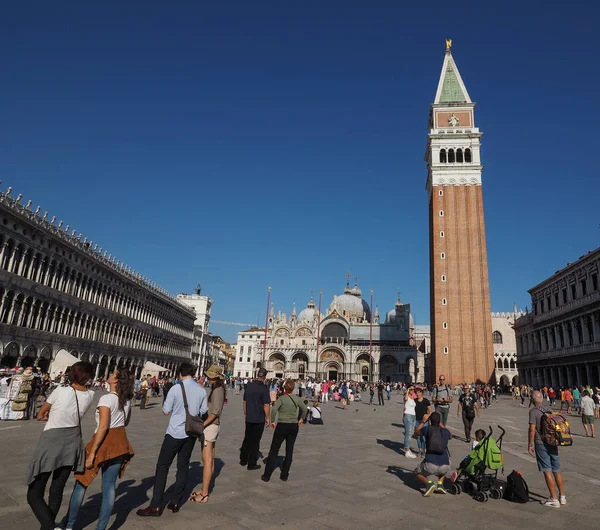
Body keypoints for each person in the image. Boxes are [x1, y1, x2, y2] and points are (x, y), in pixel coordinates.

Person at [26, 361, 95, 530]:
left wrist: (52, 415)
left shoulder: (60, 390)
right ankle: (49, 527)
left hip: (52, 440)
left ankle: (50, 527)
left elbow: (41, 414)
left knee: (34, 492)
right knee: (56, 490)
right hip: (72, 443)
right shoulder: (90, 395)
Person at [64, 368, 134, 530]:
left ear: (116, 380)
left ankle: (70, 525)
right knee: (109, 487)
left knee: (81, 483)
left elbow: (103, 427)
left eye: (112, 374)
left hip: (103, 443)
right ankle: (101, 528)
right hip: (119, 444)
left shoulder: (106, 398)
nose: (109, 375)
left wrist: (93, 453)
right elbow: (126, 422)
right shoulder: (127, 400)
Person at [137, 363, 208, 517]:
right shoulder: (201, 390)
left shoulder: (176, 388)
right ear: (193, 373)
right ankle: (175, 502)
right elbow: (203, 412)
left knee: (162, 466)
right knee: (183, 467)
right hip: (190, 434)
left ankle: (156, 505)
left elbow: (166, 410)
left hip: (174, 432)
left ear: (180, 373)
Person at [188, 365, 227, 504]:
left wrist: (203, 424)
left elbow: (215, 411)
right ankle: (204, 489)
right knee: (208, 460)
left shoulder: (217, 390)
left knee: (207, 460)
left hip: (210, 427)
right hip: (212, 427)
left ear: (216, 377)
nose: (208, 378)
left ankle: (204, 494)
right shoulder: (218, 389)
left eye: (210, 376)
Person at [261, 379, 308, 482]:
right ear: (293, 388)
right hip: (293, 426)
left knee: (274, 450)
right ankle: (284, 475)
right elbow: (305, 409)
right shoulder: (297, 399)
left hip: (282, 425)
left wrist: (273, 421)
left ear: (284, 388)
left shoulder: (281, 399)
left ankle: (267, 475)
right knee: (289, 450)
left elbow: (274, 409)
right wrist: (301, 419)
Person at [528, 390, 566, 508]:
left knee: (546, 469)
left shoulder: (533, 412)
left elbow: (532, 429)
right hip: (553, 442)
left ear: (532, 400)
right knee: (557, 469)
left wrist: (530, 444)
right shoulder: (549, 410)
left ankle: (554, 499)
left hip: (541, 443)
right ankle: (562, 496)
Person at [413, 412, 452, 496]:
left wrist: (423, 422)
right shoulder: (445, 431)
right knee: (447, 462)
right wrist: (441, 424)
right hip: (445, 466)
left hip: (430, 464)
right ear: (440, 421)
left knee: (417, 472)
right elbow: (451, 436)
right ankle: (440, 484)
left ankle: (429, 484)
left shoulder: (427, 429)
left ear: (429, 421)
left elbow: (416, 432)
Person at [239, 367, 270, 471]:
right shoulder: (264, 388)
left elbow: (244, 401)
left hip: (249, 417)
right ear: (265, 376)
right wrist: (268, 418)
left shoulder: (249, 386)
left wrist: (245, 413)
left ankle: (243, 459)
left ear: (258, 375)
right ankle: (251, 464)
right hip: (259, 418)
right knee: (255, 441)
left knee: (247, 438)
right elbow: (266, 405)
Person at [414, 387, 432, 457]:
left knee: (424, 437)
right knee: (418, 437)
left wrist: (427, 416)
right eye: (416, 392)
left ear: (421, 393)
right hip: (416, 420)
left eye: (419, 392)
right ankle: (420, 450)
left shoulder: (426, 401)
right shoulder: (414, 401)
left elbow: (430, 411)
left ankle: (425, 451)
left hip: (424, 421)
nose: (417, 394)